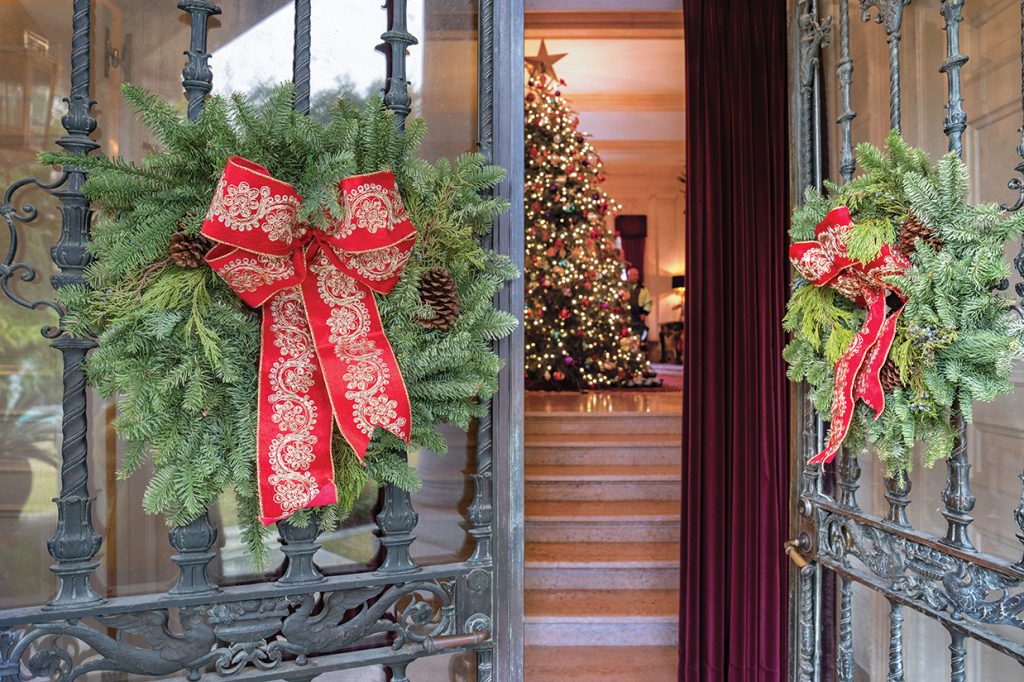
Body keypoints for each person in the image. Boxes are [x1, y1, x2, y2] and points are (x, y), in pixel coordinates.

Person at [626, 266, 653, 343]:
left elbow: (648, 303)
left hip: (639, 318)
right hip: (626, 318)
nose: (636, 277)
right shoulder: (623, 288)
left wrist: (644, 313)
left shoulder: (643, 289)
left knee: (640, 340)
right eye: (634, 275)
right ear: (629, 276)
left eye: (637, 275)